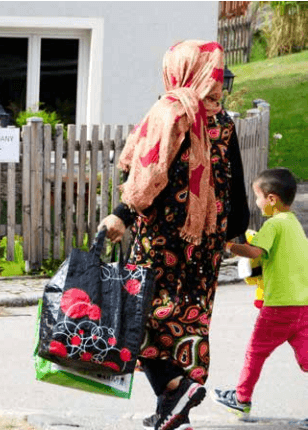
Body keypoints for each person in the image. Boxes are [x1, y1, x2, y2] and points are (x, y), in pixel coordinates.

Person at [99, 40, 250, 430]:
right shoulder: (222, 120)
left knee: (135, 317)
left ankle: (177, 389)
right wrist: (230, 232)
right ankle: (175, 406)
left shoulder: (170, 112)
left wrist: (121, 215)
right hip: (205, 242)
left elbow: (148, 175)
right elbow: (235, 184)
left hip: (163, 237)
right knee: (185, 318)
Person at [211, 168, 308, 419]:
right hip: (303, 306)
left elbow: (254, 253)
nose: (257, 202)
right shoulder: (295, 225)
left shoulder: (273, 225)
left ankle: (241, 399)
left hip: (278, 307)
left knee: (255, 352)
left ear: (272, 199)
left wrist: (228, 245)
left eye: (258, 197)